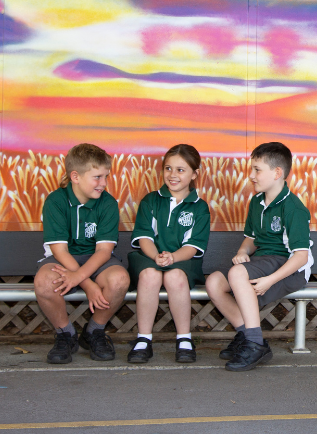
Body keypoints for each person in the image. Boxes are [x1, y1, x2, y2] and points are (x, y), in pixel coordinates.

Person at [206, 142, 313, 372]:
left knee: (236, 274)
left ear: (277, 173)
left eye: (257, 170)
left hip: (288, 267)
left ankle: (254, 343)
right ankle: (247, 334)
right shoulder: (257, 202)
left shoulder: (293, 208)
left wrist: (270, 280)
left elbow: (301, 256)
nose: (251, 176)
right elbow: (252, 239)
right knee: (214, 282)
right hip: (262, 262)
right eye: (251, 169)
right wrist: (242, 252)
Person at [34, 143, 130, 364]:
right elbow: (59, 251)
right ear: (75, 176)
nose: (103, 183)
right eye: (97, 177)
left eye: (106, 177)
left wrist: (81, 277)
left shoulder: (107, 203)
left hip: (97, 260)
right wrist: (88, 285)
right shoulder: (56, 201)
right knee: (44, 282)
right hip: (62, 259)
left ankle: (94, 331)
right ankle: (65, 334)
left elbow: (104, 251)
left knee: (119, 279)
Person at [126, 144, 211, 364]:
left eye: (181, 170)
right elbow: (144, 237)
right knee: (150, 276)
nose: (173, 175)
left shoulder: (199, 207)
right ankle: (143, 338)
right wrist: (156, 256)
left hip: (183, 260)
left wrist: (173, 257)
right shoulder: (151, 201)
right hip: (148, 257)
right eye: (168, 168)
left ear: (194, 174)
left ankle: (184, 338)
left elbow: (192, 247)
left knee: (174, 277)